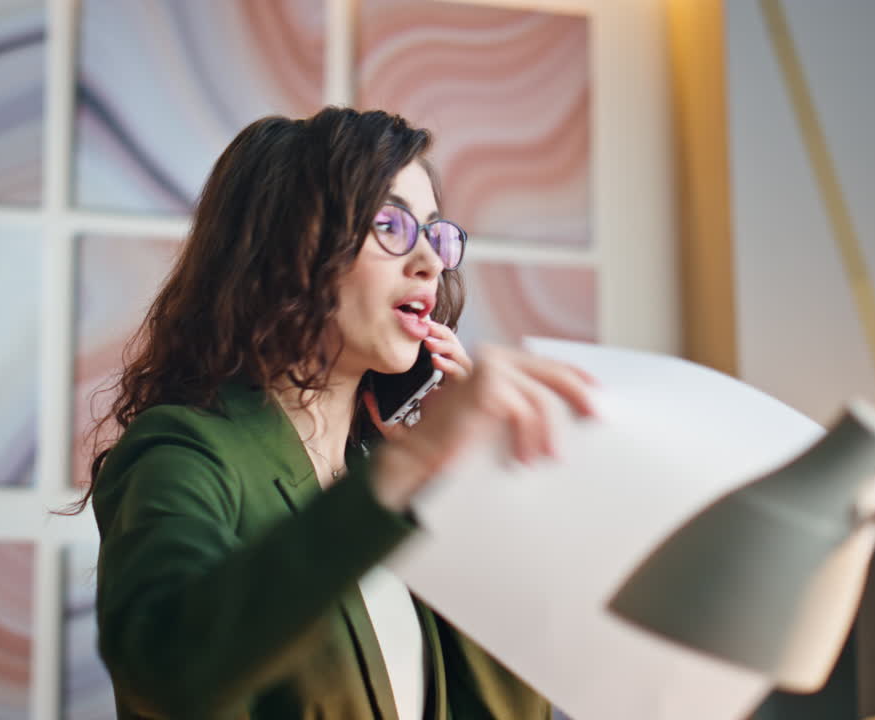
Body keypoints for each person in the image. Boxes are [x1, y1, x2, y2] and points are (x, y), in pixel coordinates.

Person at [68, 107, 596, 719]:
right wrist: (414, 463)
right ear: (286, 246)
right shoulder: (184, 449)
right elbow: (163, 666)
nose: (429, 261)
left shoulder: (391, 480)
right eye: (390, 226)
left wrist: (475, 486)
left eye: (434, 233)